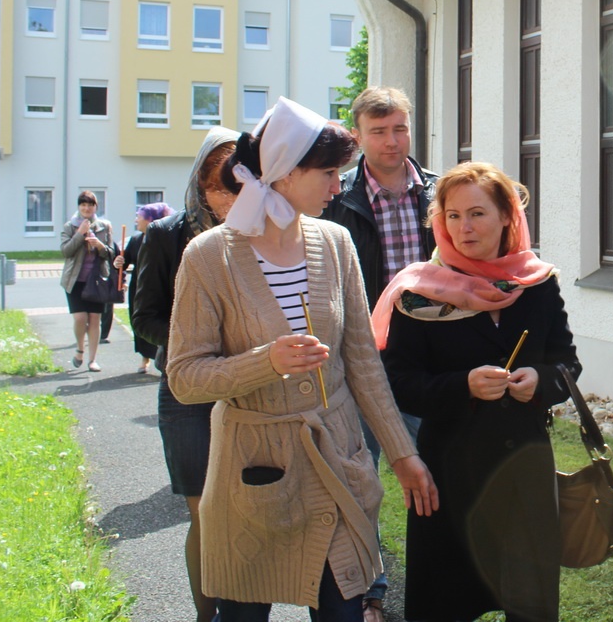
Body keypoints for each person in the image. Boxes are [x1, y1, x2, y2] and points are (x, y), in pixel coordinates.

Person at [167, 97, 437, 622]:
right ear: (286, 172)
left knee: (344, 611)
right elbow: (184, 377)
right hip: (255, 473)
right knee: (244, 615)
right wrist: (264, 362)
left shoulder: (334, 242)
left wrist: (402, 454)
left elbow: (363, 363)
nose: (338, 187)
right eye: (329, 174)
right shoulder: (209, 256)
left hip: (337, 460)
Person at [378, 161, 581, 622]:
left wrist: (540, 381)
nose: (463, 227)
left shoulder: (537, 283)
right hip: (450, 477)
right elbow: (401, 384)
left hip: (523, 471)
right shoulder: (420, 292)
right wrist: (463, 385)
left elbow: (567, 363)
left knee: (530, 605)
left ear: (507, 216)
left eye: (477, 214)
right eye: (452, 215)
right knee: (444, 604)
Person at [134, 127, 240, 622]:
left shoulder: (257, 233)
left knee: (243, 510)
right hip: (187, 392)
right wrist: (194, 344)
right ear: (201, 182)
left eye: (239, 183)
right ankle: (206, 614)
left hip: (245, 386)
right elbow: (144, 316)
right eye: (219, 185)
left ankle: (240, 609)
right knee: (204, 511)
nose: (230, 197)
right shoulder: (166, 235)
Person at [322, 86, 437, 455]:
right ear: (357, 137)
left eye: (400, 129)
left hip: (430, 351)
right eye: (379, 131)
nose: (392, 141)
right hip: (363, 354)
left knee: (434, 462)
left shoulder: (440, 193)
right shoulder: (335, 199)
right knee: (359, 464)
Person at [113, 201, 174, 373]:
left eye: (139, 217)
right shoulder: (136, 240)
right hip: (139, 289)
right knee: (140, 321)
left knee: (161, 321)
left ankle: (165, 358)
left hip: (161, 288)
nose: (136, 220)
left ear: (150, 219)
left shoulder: (165, 240)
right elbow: (124, 262)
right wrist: (118, 263)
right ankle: (145, 357)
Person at [59, 190, 115, 372]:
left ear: (95, 207)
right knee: (80, 318)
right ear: (79, 207)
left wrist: (99, 246)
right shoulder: (69, 227)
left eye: (90, 205)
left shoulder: (104, 226)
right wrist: (80, 234)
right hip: (75, 280)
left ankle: (92, 359)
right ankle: (79, 349)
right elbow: (66, 251)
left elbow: (110, 253)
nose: (87, 208)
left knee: (95, 318)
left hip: (97, 280)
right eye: (83, 205)